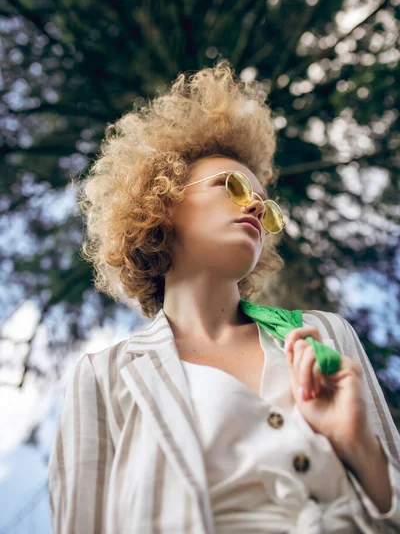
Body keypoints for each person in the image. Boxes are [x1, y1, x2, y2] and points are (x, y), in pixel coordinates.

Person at [48, 61, 400, 533]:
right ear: (163, 202)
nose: (255, 204)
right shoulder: (104, 377)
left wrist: (357, 444)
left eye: (265, 205)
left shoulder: (325, 334)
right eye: (231, 187)